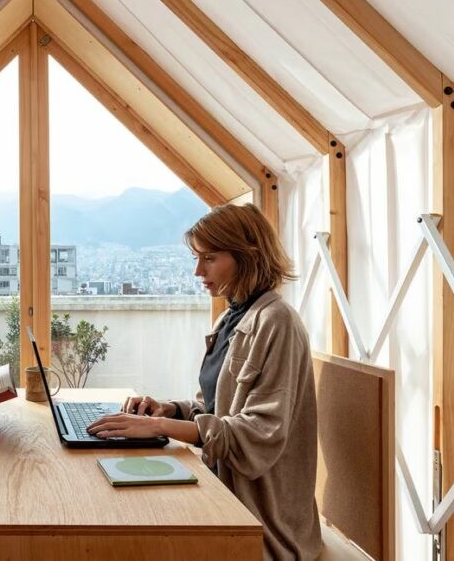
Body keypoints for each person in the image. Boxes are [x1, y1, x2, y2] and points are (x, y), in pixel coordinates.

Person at [87, 203, 322, 560]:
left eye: (209, 258)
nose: (198, 270)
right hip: (220, 487)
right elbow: (212, 408)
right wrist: (168, 410)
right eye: (197, 258)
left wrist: (157, 427)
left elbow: (258, 436)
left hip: (260, 522)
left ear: (247, 256)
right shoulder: (230, 318)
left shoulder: (278, 322)